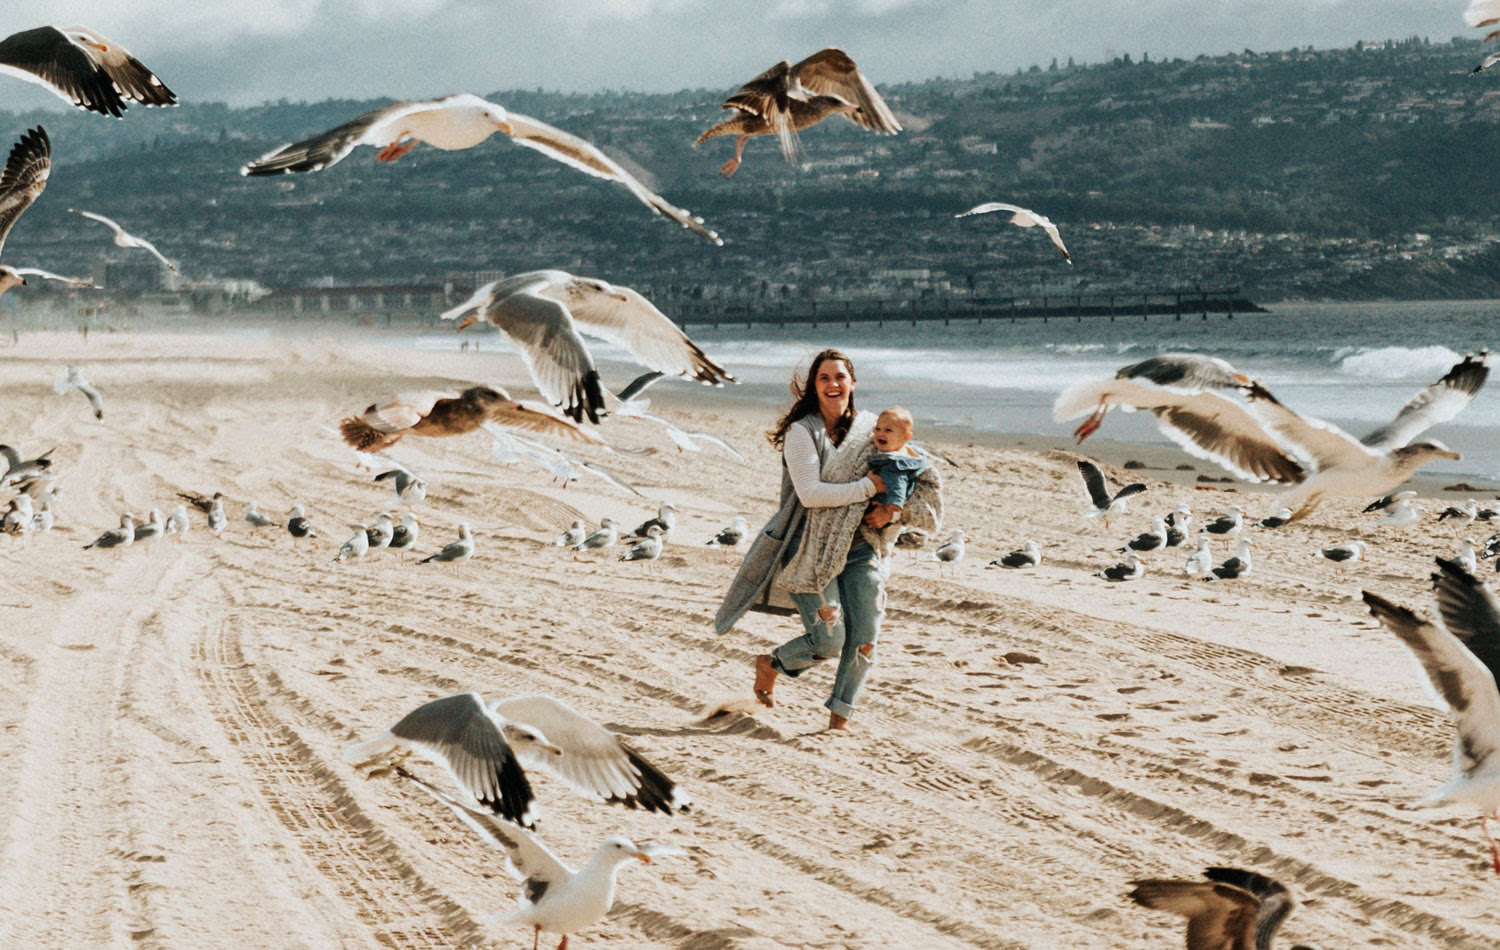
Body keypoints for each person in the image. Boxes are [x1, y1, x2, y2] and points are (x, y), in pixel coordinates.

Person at [715, 349, 943, 730]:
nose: (833, 384)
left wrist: (894, 510)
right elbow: (811, 494)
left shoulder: (875, 431)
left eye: (840, 377)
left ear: (853, 383)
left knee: (865, 638)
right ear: (813, 386)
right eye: (824, 378)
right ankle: (772, 663)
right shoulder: (802, 433)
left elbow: (917, 470)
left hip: (864, 547)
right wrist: (869, 486)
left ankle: (839, 721)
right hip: (809, 550)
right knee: (830, 638)